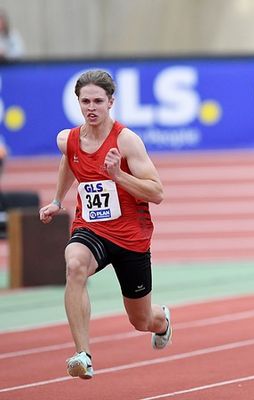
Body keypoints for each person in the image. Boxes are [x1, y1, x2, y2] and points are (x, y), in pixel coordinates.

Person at [39, 70, 172, 380]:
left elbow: (157, 192)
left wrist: (119, 176)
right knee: (74, 265)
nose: (91, 108)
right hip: (92, 229)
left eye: (98, 101)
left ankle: (162, 320)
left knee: (140, 320)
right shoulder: (68, 139)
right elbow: (68, 162)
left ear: (111, 102)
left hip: (131, 237)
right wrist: (58, 201)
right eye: (85, 101)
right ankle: (82, 355)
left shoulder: (127, 141)